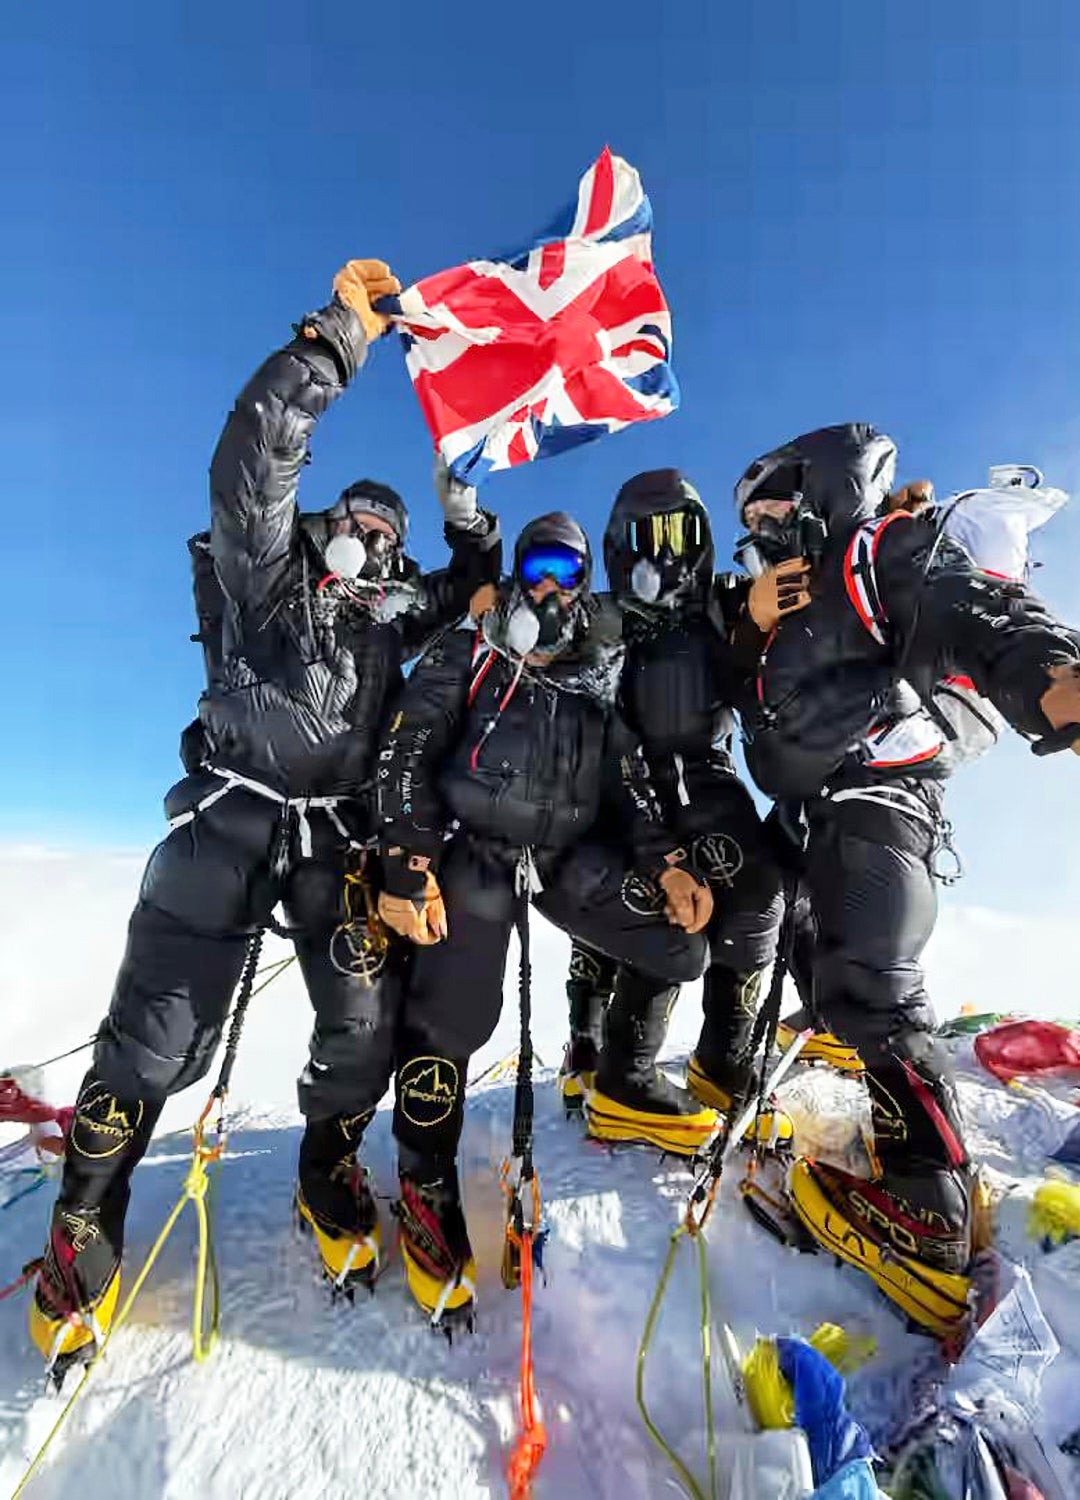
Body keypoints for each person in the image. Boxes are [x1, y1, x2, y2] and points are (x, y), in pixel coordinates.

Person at [30, 259, 501, 1372]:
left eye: (391, 539)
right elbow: (254, 458)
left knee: (360, 1021)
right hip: (230, 822)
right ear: (324, 528)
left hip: (333, 841)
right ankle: (84, 1224)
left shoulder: (393, 623)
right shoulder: (263, 576)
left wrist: (463, 510)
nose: (374, 545)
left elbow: (474, 583)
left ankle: (324, 1169)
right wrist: (336, 339)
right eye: (359, 523)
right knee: (156, 1039)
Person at [724, 422, 1080, 1335]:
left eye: (774, 506)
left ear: (823, 487)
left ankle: (926, 1203)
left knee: (874, 985)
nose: (763, 529)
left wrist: (1051, 682)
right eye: (752, 519)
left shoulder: (876, 552)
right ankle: (825, 1032)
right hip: (821, 805)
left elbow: (969, 607)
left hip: (877, 801)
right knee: (808, 944)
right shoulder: (793, 598)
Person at [370, 512, 713, 1326]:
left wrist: (664, 861)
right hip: (478, 850)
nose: (551, 583)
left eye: (568, 566)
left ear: (585, 576)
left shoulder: (600, 666)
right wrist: (405, 859)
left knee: (681, 949)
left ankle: (610, 1076)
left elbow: (629, 782)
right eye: (538, 564)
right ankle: (424, 1183)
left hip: (564, 855)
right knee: (456, 1021)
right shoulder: (473, 648)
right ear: (519, 572)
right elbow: (408, 747)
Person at [560, 471, 787, 1156]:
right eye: (647, 535)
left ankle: (721, 1060)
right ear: (619, 545)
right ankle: (605, 1065)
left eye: (681, 533)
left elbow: (801, 589)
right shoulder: (599, 619)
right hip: (622, 790)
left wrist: (885, 528)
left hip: (706, 779)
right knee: (634, 927)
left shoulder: (723, 604)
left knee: (755, 897)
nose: (665, 552)